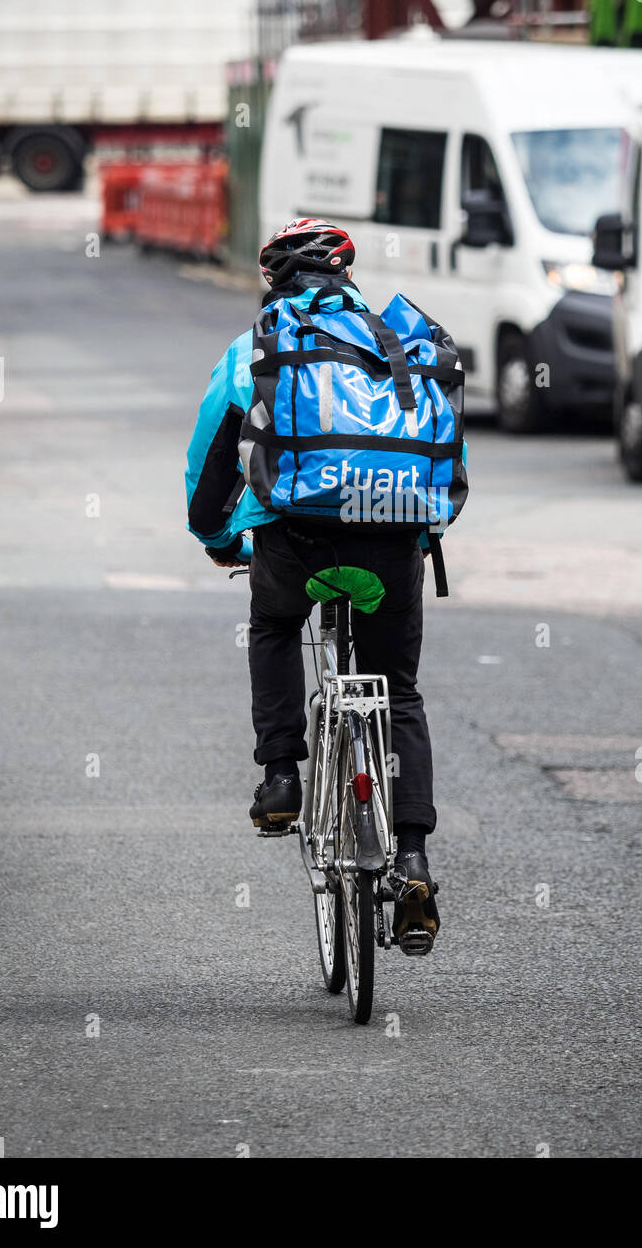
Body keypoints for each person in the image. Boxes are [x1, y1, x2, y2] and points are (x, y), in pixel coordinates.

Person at [185, 219, 441, 950]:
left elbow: (213, 455)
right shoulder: (403, 343)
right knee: (399, 689)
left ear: (277, 281)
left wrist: (214, 535)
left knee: (271, 626)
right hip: (391, 547)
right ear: (348, 277)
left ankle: (280, 777)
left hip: (295, 545)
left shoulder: (258, 347)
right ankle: (414, 859)